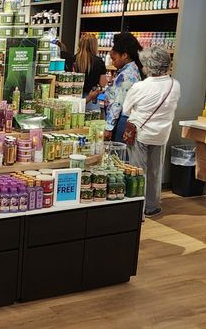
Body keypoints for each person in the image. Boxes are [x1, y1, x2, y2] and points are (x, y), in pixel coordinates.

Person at [122, 47, 182, 218]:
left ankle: (137, 208)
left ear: (148, 65)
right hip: (161, 134)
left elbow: (126, 109)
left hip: (140, 132)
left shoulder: (140, 86)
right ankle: (152, 206)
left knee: (137, 171)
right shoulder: (175, 85)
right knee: (155, 170)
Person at [104, 32, 144, 139]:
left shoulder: (126, 75)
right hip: (125, 119)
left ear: (125, 55)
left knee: (118, 148)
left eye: (114, 59)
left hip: (121, 121)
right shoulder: (133, 70)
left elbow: (118, 103)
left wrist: (109, 127)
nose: (112, 63)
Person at [75, 33, 108, 107]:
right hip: (91, 98)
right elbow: (102, 83)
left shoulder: (73, 59)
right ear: (94, 46)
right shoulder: (99, 61)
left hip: (74, 98)